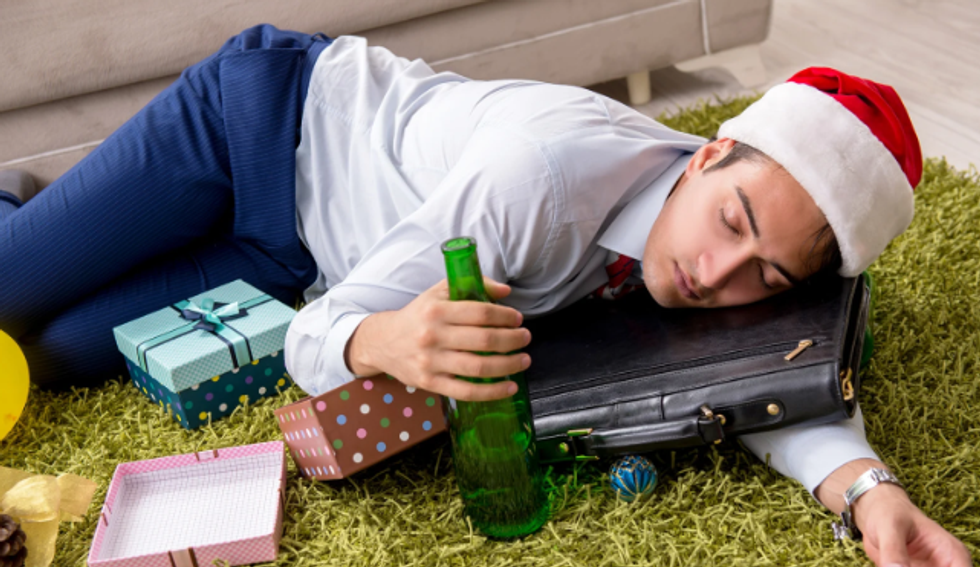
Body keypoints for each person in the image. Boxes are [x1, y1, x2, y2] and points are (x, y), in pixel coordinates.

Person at [0, 25, 969, 566]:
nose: (717, 280)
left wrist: (868, 494)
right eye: (730, 224)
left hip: (290, 253)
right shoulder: (539, 177)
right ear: (707, 151)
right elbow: (316, 339)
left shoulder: (717, 267)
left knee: (55, 355)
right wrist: (384, 338)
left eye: (768, 276)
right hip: (258, 125)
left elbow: (755, 377)